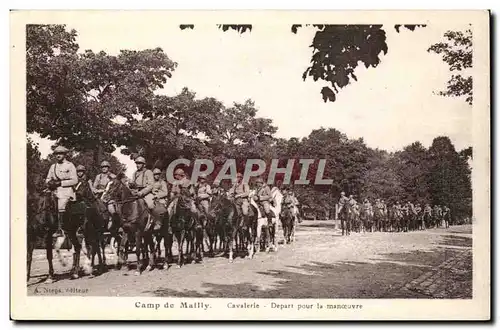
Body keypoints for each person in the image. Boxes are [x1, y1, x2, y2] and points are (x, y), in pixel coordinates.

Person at [45, 146, 78, 237]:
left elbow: (75, 180)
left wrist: (61, 183)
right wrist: (50, 183)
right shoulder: (53, 166)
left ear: (65, 155)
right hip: (54, 190)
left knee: (61, 204)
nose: (58, 155)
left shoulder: (70, 165)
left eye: (60, 153)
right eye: (56, 154)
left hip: (66, 191)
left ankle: (60, 229)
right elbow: (47, 178)